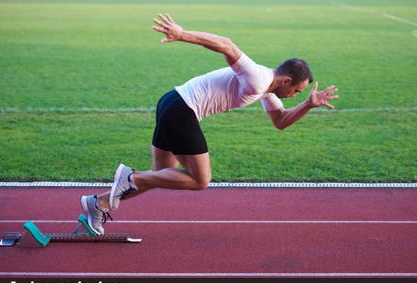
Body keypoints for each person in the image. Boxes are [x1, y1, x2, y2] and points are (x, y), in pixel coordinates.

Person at [80, 13, 339, 234]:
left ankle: (99, 203)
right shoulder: (258, 78)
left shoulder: (267, 90)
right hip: (184, 109)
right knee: (199, 180)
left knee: (161, 174)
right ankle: (129, 177)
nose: (296, 96)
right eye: (297, 92)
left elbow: (281, 121)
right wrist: (182, 35)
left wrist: (308, 105)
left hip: (171, 101)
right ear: (285, 80)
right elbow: (227, 44)